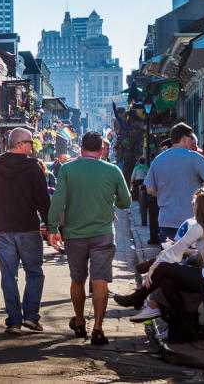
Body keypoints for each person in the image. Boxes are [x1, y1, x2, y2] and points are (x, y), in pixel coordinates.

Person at [115, 190, 204, 343]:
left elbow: (177, 250)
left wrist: (154, 266)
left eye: (195, 206)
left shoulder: (200, 227)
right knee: (166, 282)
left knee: (164, 269)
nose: (193, 208)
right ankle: (186, 322)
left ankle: (138, 297)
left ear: (199, 209)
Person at [47, 131, 132, 346]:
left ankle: (80, 320)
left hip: (75, 235)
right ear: (102, 150)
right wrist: (108, 201)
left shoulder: (67, 169)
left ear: (81, 148)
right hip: (103, 234)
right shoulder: (113, 170)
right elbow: (125, 202)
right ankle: (98, 329)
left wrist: (53, 228)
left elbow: (58, 200)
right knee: (100, 280)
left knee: (77, 280)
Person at [0, 127, 51, 335]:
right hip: (28, 228)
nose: (32, 146)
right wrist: (50, 225)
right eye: (30, 143)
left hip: (2, 229)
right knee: (35, 273)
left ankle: (13, 321)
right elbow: (43, 200)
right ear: (20, 144)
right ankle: (31, 317)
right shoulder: (32, 168)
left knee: (9, 276)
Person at [145, 123, 204, 241]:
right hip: (191, 220)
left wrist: (166, 194)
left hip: (167, 220)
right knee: (192, 257)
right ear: (184, 139)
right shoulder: (194, 157)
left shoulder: (157, 160)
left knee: (171, 256)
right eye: (191, 138)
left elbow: (150, 189)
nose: (192, 141)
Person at [131, 157, 149, 225]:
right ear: (144, 161)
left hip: (137, 182)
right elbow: (148, 175)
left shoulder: (136, 168)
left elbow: (133, 176)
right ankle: (144, 206)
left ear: (139, 161)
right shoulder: (146, 167)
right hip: (144, 182)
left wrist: (131, 182)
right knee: (145, 195)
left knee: (139, 196)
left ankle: (141, 207)